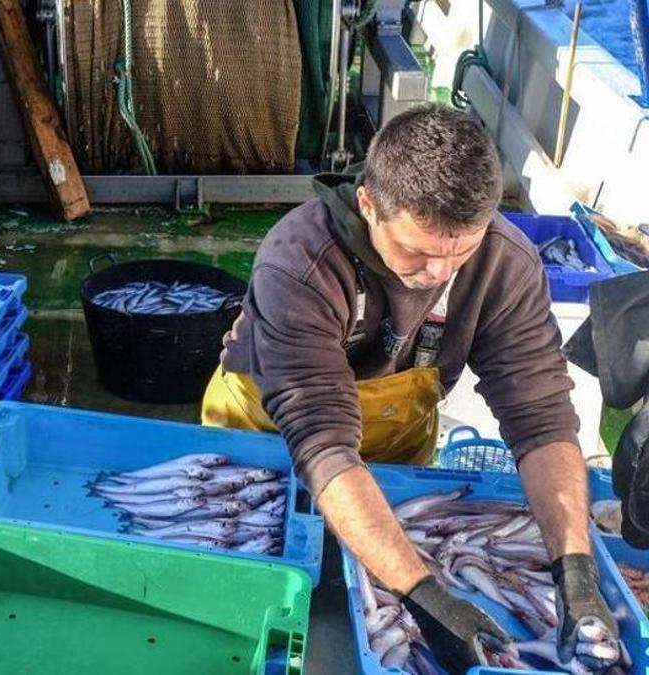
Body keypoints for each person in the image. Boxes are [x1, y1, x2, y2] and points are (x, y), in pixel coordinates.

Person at [202, 104, 618, 669]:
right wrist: (424, 596)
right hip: (267, 434)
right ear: (369, 203)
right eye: (419, 252)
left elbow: (541, 417)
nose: (439, 274)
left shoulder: (505, 264)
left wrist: (575, 572)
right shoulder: (299, 261)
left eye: (461, 251)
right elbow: (322, 441)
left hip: (395, 450)